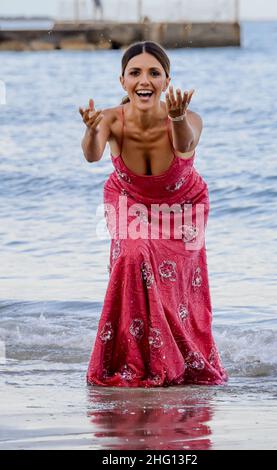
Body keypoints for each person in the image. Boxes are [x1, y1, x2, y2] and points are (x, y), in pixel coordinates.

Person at [79, 40, 228, 387]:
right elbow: (91, 155)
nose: (144, 80)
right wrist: (89, 130)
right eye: (135, 73)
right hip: (127, 199)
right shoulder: (109, 119)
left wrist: (176, 117)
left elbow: (186, 144)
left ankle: (173, 357)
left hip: (182, 208)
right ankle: (128, 359)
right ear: (122, 81)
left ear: (166, 80)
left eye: (153, 73)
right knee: (133, 255)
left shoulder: (189, 118)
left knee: (171, 288)